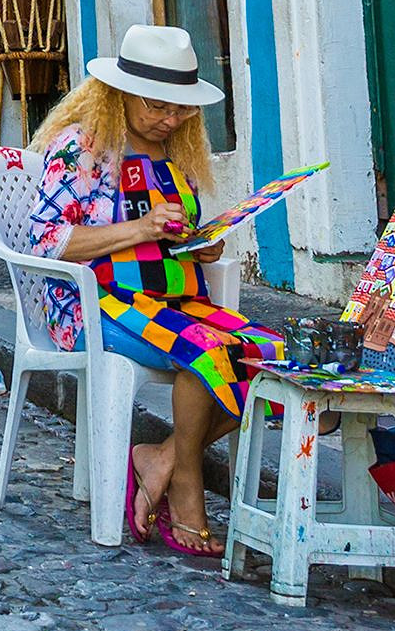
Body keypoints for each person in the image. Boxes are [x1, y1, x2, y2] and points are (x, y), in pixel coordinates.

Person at [25, 28, 257, 558]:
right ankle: (187, 498)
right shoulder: (81, 149)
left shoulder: (177, 154)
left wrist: (202, 248)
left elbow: (173, 238)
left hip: (177, 301)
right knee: (207, 353)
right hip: (93, 302)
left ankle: (163, 458)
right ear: (120, 92)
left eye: (182, 110)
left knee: (271, 357)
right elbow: (48, 242)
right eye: (158, 106)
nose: (170, 120)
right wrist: (143, 230)